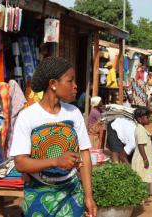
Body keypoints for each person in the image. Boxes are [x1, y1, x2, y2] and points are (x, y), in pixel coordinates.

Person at [10, 57, 97, 217]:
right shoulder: (28, 116)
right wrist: (55, 161)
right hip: (38, 196)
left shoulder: (74, 113)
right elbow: (20, 163)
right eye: (70, 81)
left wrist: (89, 196)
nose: (75, 86)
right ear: (53, 84)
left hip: (72, 194)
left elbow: (84, 154)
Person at [131, 106, 152, 183]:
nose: (149, 118)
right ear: (140, 119)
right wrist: (145, 159)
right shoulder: (140, 130)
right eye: (147, 117)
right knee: (141, 177)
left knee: (143, 176)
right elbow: (141, 146)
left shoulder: (141, 129)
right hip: (141, 159)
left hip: (143, 158)